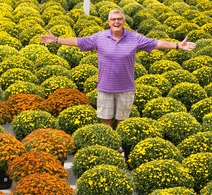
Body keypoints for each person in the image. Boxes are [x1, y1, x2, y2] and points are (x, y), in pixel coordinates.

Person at [40, 9, 196, 128]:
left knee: (122, 121)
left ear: (124, 21)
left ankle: (119, 148)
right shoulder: (99, 37)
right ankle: (107, 147)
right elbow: (79, 42)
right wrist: (56, 40)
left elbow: (156, 43)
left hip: (126, 88)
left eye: (119, 19)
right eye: (113, 19)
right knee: (105, 120)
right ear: (108, 22)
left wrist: (177, 46)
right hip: (105, 87)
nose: (116, 22)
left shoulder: (135, 38)